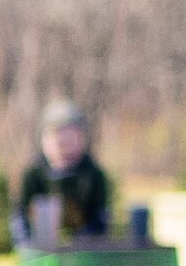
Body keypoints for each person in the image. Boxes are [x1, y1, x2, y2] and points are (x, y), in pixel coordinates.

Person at [11, 100, 114, 248]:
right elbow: (20, 219)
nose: (63, 147)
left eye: (69, 140)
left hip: (82, 253)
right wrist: (27, 247)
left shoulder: (93, 175)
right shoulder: (33, 175)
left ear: (80, 138)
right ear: (44, 141)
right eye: (58, 141)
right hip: (41, 253)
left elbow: (100, 222)